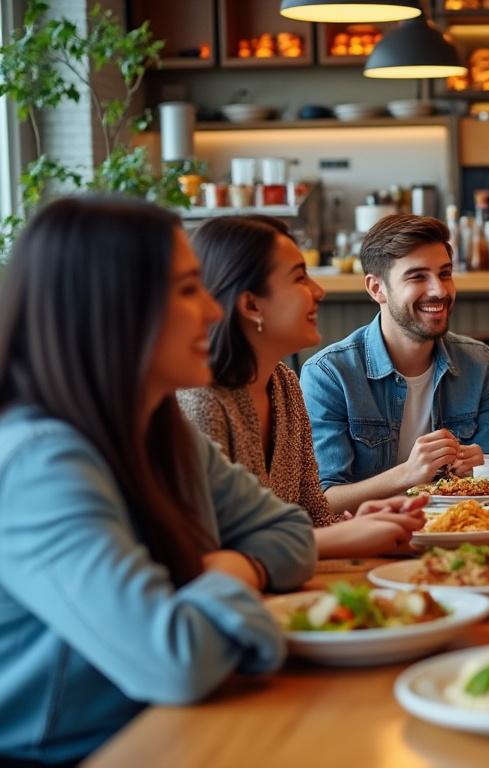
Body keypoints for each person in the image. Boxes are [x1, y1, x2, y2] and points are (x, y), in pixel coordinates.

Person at [0, 197, 316, 764]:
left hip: (167, 728)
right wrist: (221, 579)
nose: (216, 313)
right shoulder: (40, 465)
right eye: (187, 290)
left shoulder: (156, 426)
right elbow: (178, 661)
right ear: (113, 308)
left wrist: (230, 567)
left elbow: (292, 532)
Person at [179, 216, 428, 559]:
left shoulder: (283, 384)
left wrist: (354, 527)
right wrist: (342, 538)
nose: (319, 290)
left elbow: (313, 514)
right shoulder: (201, 402)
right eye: (300, 277)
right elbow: (211, 551)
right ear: (251, 305)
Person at [300, 214, 489, 514]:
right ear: (377, 288)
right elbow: (323, 500)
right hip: (371, 543)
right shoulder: (329, 374)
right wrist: (408, 474)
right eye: (417, 276)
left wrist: (481, 466)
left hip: (463, 530)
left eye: (445, 273)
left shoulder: (478, 362)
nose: (439, 290)